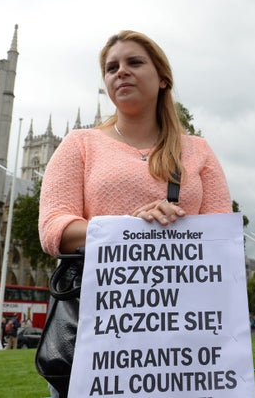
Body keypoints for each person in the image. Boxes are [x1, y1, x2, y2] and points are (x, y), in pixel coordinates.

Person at [39, 30, 233, 396]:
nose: (120, 72)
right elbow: (52, 228)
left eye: (134, 63)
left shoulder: (198, 151)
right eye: (111, 67)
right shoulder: (79, 144)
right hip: (101, 322)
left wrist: (172, 226)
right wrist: (128, 229)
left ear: (162, 78)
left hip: (183, 325)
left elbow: (221, 237)